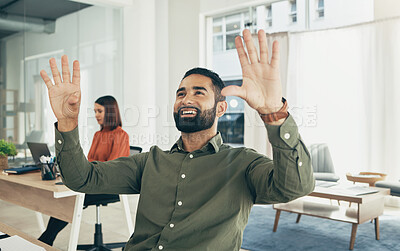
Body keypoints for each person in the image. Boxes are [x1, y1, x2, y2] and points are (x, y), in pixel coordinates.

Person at [40, 29, 314, 250]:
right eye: (181, 93)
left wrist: (274, 113)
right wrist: (67, 122)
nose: (186, 99)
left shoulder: (243, 163)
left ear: (220, 108)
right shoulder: (151, 162)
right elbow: (82, 179)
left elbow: (294, 187)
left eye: (198, 92)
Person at [38, 95, 129, 246]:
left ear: (111, 112)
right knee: (67, 195)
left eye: (99, 111)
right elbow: (90, 160)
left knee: (71, 199)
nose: (96, 115)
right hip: (93, 181)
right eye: (94, 111)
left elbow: (113, 167)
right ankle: (46, 240)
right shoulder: (98, 135)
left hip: (110, 186)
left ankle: (46, 240)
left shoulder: (120, 135)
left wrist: (91, 169)